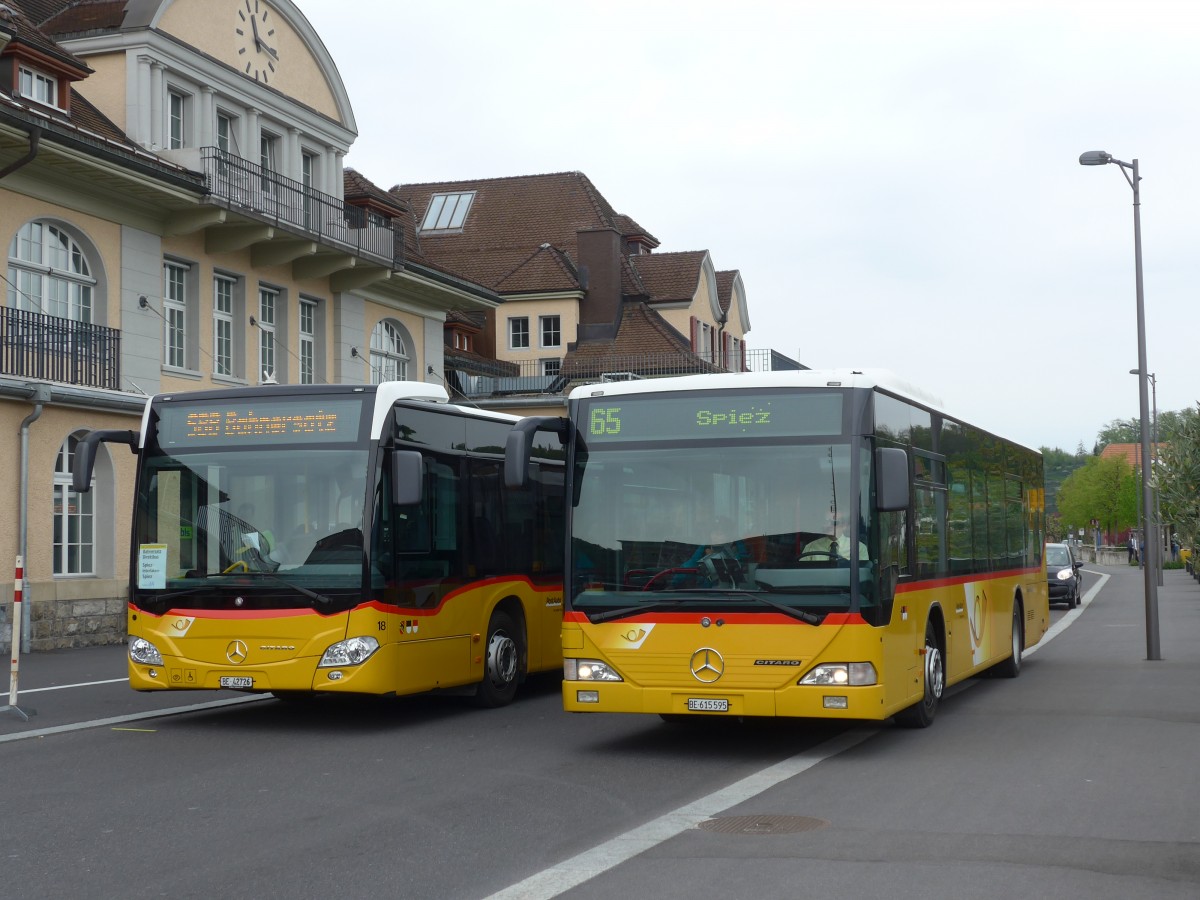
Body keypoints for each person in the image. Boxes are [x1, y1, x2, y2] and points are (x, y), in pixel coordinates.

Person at [677, 516, 749, 585]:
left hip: (731, 592)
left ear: (729, 536)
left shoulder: (738, 549)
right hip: (704, 593)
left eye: (720, 534)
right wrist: (675, 583)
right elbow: (691, 565)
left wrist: (715, 558)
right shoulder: (705, 547)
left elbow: (740, 568)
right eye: (713, 533)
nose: (715, 537)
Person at [802, 509, 867, 562]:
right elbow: (802, 574)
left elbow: (862, 574)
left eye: (834, 522)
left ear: (844, 525)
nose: (828, 525)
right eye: (826, 521)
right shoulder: (810, 548)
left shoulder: (858, 548)